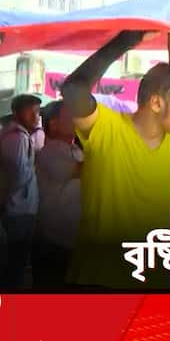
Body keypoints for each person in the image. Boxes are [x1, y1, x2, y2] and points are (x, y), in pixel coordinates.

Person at [61, 31, 170, 289]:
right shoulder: (106, 128)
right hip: (96, 283)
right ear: (156, 103)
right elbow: (73, 89)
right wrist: (126, 40)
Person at [33, 101, 82, 288]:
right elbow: (88, 170)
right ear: (54, 124)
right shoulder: (51, 152)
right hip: (54, 243)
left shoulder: (74, 149)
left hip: (69, 240)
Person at [0, 94, 41, 288]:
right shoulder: (16, 137)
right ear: (16, 113)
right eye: (30, 112)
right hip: (17, 209)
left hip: (21, 208)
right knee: (15, 265)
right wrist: (36, 168)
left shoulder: (22, 135)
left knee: (16, 263)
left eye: (37, 112)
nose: (35, 117)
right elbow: (17, 175)